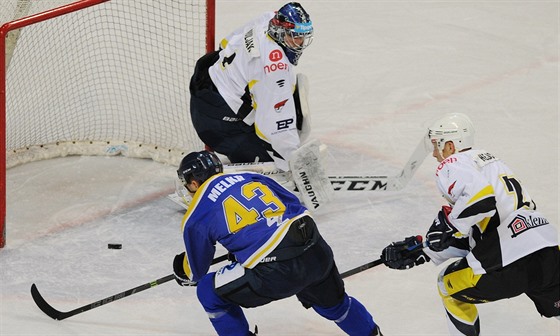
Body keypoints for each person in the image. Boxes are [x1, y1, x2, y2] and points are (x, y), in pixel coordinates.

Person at [380, 113, 560, 335]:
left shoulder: (452, 163)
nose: (436, 154)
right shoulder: (494, 163)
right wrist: (425, 251)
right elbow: (485, 230)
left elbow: (481, 200)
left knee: (446, 285)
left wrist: (448, 224)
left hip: (510, 258)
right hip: (548, 251)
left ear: (451, 145)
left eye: (437, 145)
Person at [172, 150, 382, 336]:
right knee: (335, 306)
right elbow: (292, 205)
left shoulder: (196, 213)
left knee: (208, 291)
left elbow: (195, 273)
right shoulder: (250, 177)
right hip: (315, 249)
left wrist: (181, 269)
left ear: (193, 182)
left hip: (276, 271)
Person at [188, 2, 313, 172]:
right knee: (270, 163)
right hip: (215, 123)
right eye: (295, 36)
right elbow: (274, 123)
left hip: (206, 77)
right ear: (279, 31)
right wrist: (291, 162)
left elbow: (225, 44)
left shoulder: (268, 18)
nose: (300, 42)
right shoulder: (273, 68)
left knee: (280, 97)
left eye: (302, 36)